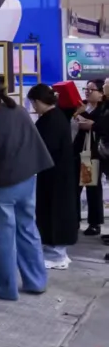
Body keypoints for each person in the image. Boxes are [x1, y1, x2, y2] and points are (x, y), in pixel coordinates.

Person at [0, 84, 52, 300]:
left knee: (1, 238)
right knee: (28, 229)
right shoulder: (18, 111)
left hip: (2, 186)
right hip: (28, 179)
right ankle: (36, 281)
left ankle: (5, 288)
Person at [27, 84, 80, 269]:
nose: (33, 107)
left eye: (34, 103)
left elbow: (45, 147)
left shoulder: (51, 120)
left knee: (54, 212)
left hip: (54, 175)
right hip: (57, 173)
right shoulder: (56, 116)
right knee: (54, 212)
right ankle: (58, 253)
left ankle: (56, 255)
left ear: (38, 101)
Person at [75, 79, 108, 236]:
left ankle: (94, 223)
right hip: (77, 152)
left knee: (92, 188)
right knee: (74, 189)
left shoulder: (103, 109)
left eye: (91, 89)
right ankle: (73, 220)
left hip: (92, 154)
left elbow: (101, 126)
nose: (87, 92)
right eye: (86, 89)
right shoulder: (81, 105)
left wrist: (91, 123)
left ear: (101, 93)